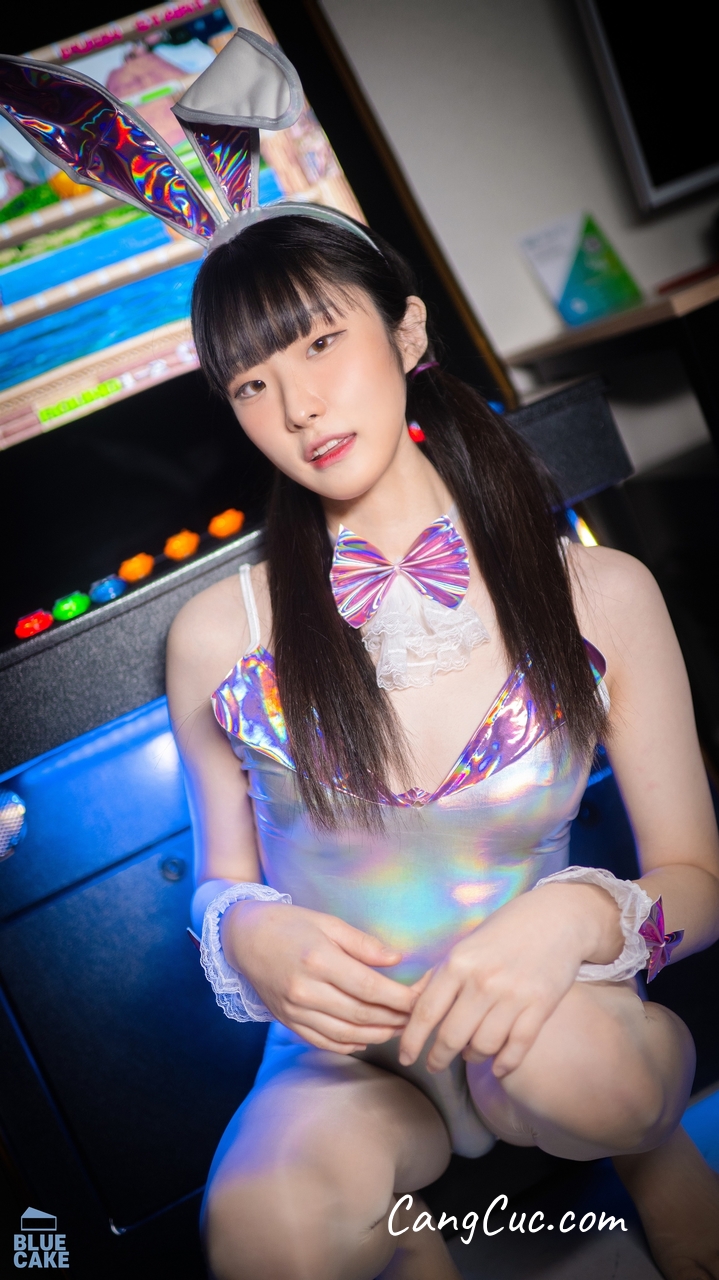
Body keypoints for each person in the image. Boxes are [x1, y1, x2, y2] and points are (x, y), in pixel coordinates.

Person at [166, 214, 719, 1280]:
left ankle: (648, 1151)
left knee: (598, 1083)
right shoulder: (219, 635)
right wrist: (244, 930)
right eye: (251, 384)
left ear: (406, 331)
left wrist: (576, 917)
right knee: (259, 1245)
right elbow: (215, 881)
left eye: (321, 342)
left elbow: (700, 881)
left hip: (547, 1019)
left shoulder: (598, 591)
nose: (298, 406)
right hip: (345, 1064)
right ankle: (403, 1233)